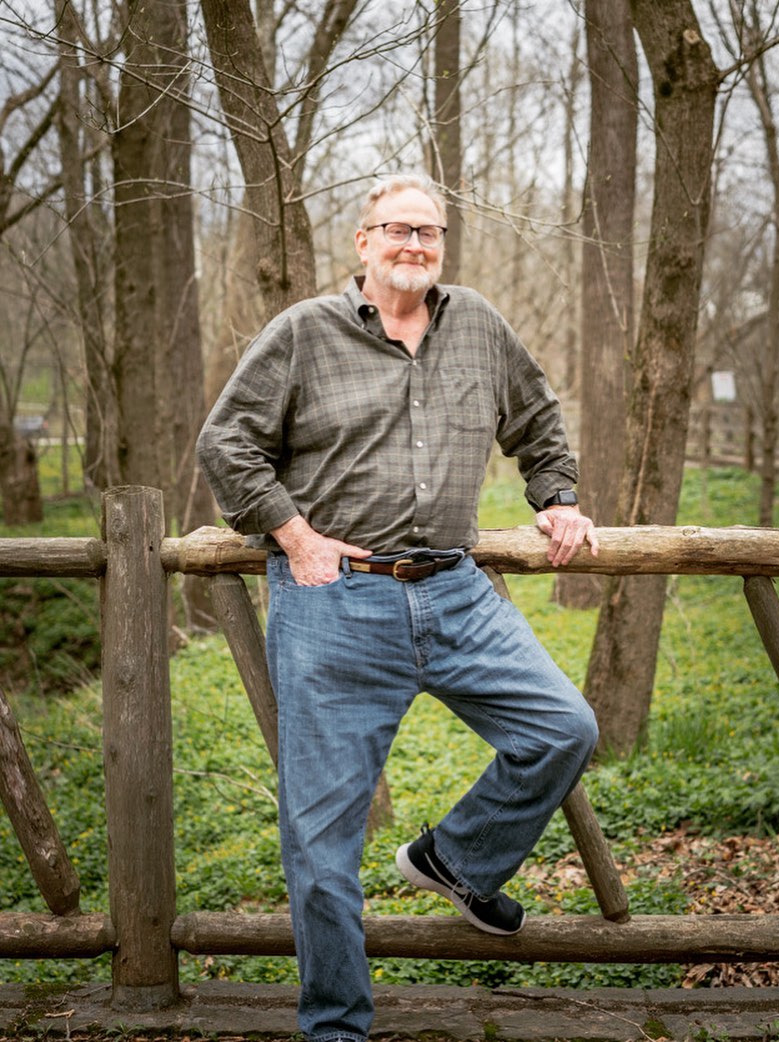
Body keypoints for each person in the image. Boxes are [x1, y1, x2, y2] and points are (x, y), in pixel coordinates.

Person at [196, 173, 600, 1042]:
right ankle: (337, 1026)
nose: (413, 244)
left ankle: (453, 859)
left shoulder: (477, 323)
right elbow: (226, 442)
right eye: (397, 229)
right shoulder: (304, 331)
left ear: (442, 244)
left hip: (455, 590)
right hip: (332, 602)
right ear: (363, 241)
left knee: (562, 728)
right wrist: (295, 536)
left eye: (428, 232)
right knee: (320, 843)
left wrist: (558, 498)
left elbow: (536, 419)